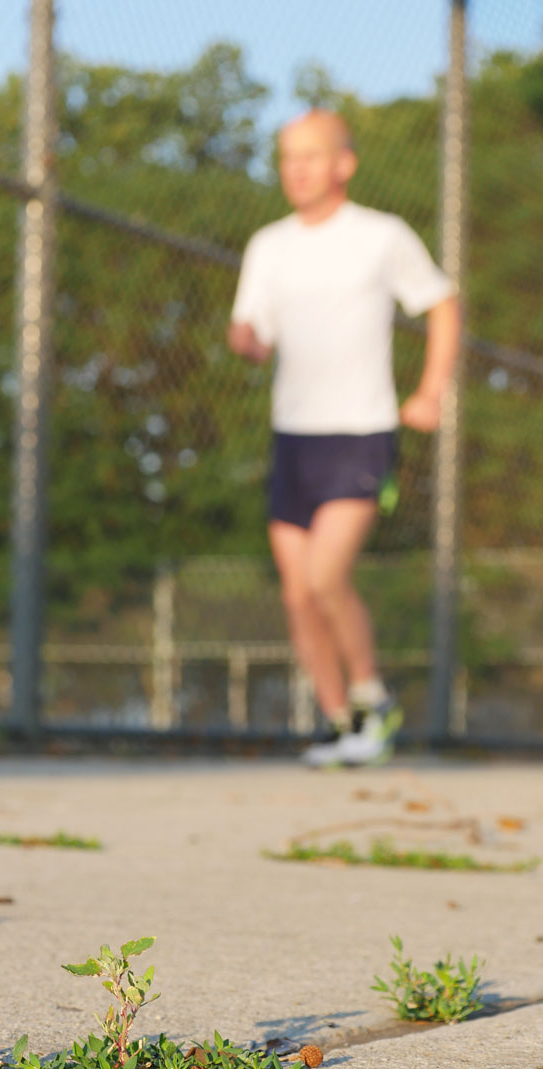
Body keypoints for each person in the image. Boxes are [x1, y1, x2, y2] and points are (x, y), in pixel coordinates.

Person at [228, 110, 461, 766]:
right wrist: (246, 342)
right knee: (297, 590)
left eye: (310, 154)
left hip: (361, 430)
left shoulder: (381, 236)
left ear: (343, 164)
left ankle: (372, 699)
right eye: (286, 156)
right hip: (292, 435)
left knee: (329, 574)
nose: (295, 168)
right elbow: (253, 330)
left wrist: (430, 390)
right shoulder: (268, 245)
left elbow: (442, 302)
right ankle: (338, 722)